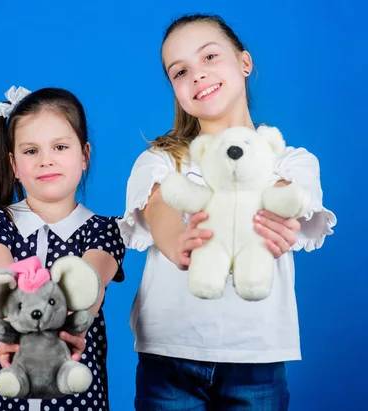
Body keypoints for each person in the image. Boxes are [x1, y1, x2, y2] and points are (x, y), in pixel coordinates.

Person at [117, 13, 337, 410]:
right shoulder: (162, 158)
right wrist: (175, 241)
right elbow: (158, 204)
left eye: (210, 57)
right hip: (169, 357)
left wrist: (283, 216)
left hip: (257, 360)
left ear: (244, 62)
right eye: (180, 71)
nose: (197, 75)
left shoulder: (291, 160)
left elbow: (293, 198)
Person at [0, 86, 125, 411]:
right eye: (30, 151)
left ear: (84, 155)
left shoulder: (107, 229)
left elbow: (85, 290)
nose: (46, 160)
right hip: (0, 399)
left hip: (76, 400)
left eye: (60, 146)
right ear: (13, 164)